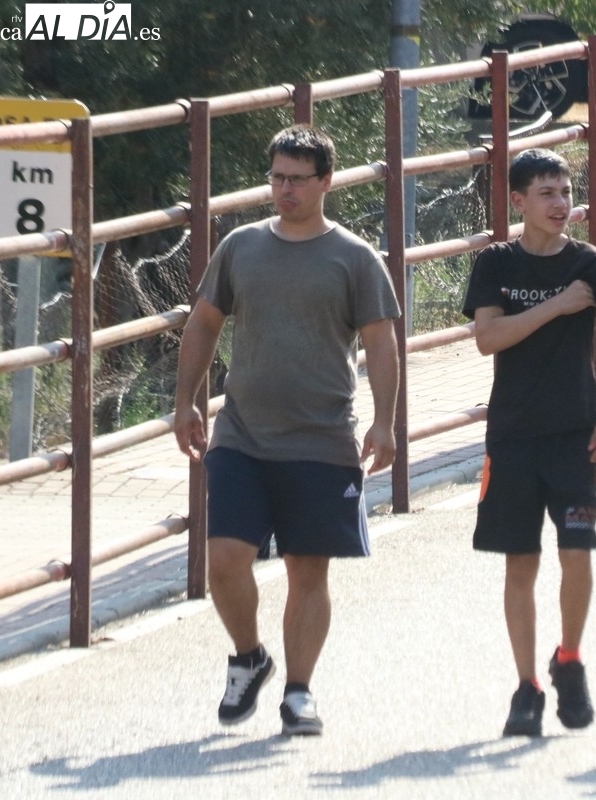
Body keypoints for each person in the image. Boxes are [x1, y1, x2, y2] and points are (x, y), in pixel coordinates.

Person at [173, 124, 401, 737]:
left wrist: (385, 422)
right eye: (277, 178)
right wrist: (186, 401)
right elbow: (204, 323)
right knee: (225, 559)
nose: (285, 190)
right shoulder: (241, 247)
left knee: (307, 570)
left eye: (298, 179)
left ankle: (299, 693)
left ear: (326, 181)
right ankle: (249, 656)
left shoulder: (355, 257)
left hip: (322, 439)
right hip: (241, 435)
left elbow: (381, 343)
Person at [462, 148, 596, 738]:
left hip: (575, 436)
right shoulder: (495, 263)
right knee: (521, 562)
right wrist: (558, 305)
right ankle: (527, 686)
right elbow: (488, 338)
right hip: (513, 436)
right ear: (518, 201)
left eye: (566, 192)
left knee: (577, 551)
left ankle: (569, 658)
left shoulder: (589, 263)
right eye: (546, 193)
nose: (561, 203)